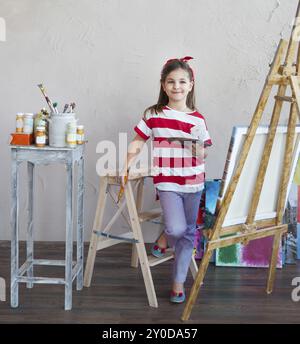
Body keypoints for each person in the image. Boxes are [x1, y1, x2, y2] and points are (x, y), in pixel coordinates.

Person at [121, 56, 212, 303]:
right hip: (168, 181)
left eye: (182, 81)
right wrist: (126, 164)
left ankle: (178, 284)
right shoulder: (154, 114)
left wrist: (197, 149)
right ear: (163, 85)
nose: (177, 86)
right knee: (176, 228)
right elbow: (139, 140)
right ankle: (164, 237)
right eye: (171, 82)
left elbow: (204, 151)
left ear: (191, 85)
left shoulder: (198, 119)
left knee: (188, 233)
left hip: (194, 181)